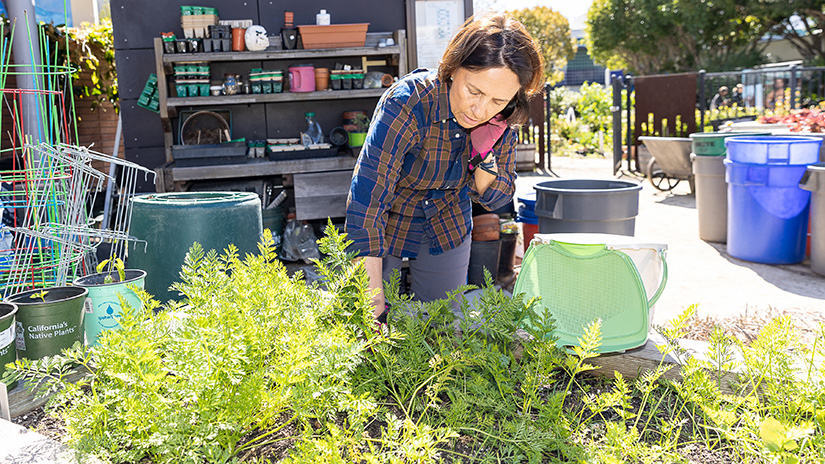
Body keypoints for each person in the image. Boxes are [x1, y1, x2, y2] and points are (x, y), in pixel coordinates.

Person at [345, 13, 544, 320]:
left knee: (439, 323)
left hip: (446, 221)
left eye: (497, 100)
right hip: (388, 217)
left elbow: (497, 197)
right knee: (372, 320)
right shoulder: (410, 102)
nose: (480, 110)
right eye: (473, 91)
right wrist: (371, 305)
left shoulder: (501, 119)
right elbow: (368, 199)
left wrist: (483, 157)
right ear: (453, 68)